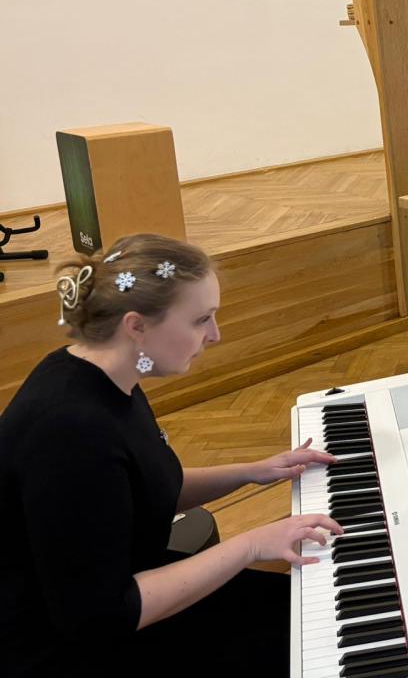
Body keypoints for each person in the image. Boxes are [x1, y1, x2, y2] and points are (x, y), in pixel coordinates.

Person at [0, 233, 342, 677]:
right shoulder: (71, 431)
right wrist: (252, 544)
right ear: (136, 326)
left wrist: (254, 471)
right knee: (314, 646)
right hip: (71, 646)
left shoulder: (103, 374)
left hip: (127, 591)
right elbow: (102, 616)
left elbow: (146, 486)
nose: (215, 335)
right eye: (201, 319)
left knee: (310, 614)